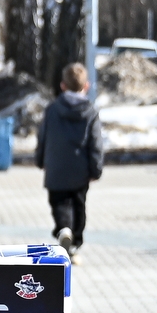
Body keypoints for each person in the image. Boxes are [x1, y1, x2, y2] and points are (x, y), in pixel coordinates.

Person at [39, 63, 103, 252]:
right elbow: (95, 142)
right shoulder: (90, 112)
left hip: (56, 167)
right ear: (86, 86)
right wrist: (96, 169)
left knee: (59, 203)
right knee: (78, 204)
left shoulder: (52, 109)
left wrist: (40, 159)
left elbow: (42, 137)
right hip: (79, 169)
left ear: (62, 85)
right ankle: (75, 240)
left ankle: (63, 229)